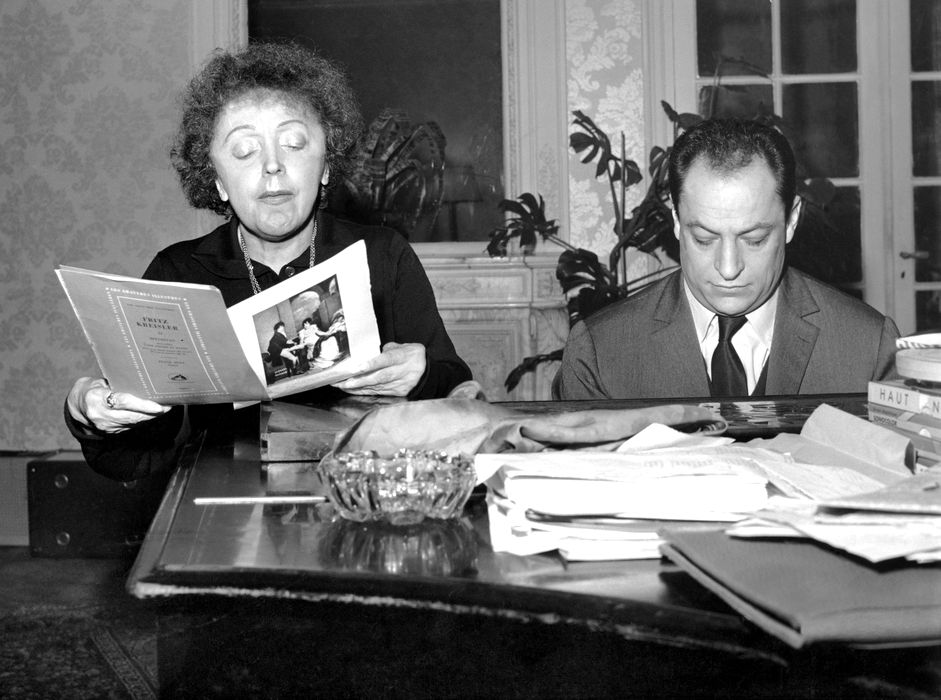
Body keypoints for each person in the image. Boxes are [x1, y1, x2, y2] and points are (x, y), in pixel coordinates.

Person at [64, 41, 471, 482]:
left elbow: (457, 391)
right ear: (217, 180)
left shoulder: (384, 255)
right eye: (244, 151)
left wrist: (421, 375)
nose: (273, 166)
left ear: (327, 166)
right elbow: (136, 456)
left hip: (360, 496)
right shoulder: (179, 272)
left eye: (294, 144)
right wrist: (90, 414)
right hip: (221, 506)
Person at [553, 118, 899, 400]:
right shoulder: (598, 352)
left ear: (792, 220)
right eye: (704, 239)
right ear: (676, 221)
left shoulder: (868, 347)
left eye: (755, 239)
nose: (729, 269)